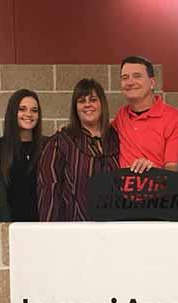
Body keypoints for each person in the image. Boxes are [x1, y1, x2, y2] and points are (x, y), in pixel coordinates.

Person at [37, 79, 119, 221]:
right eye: (81, 101)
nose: (87, 104)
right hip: (75, 229)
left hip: (114, 229)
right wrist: (50, 232)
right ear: (75, 107)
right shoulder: (61, 141)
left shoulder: (117, 138)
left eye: (93, 99)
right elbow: (49, 189)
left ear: (102, 104)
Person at [113, 55, 178, 173]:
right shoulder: (121, 116)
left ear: (152, 83)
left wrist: (152, 170)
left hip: (158, 190)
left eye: (137, 76)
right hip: (121, 190)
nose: (130, 82)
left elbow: (172, 168)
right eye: (125, 77)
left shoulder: (174, 118)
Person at [0, 89, 43, 220]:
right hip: (10, 226)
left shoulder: (48, 145)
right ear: (13, 112)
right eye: (22, 109)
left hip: (42, 225)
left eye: (34, 110)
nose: (29, 114)